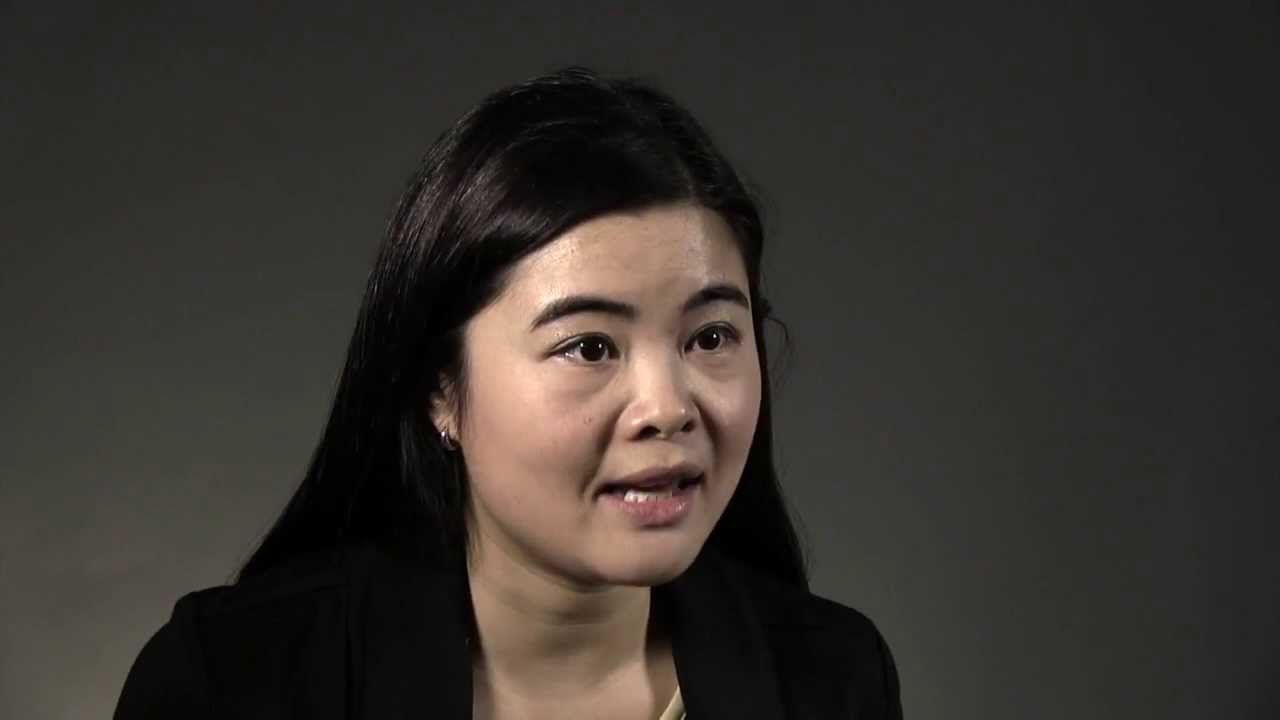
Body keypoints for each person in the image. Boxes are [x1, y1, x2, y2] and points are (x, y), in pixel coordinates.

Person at [113, 66, 903, 719]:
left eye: (711, 338)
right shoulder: (229, 683)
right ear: (439, 389)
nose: (667, 407)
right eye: (589, 347)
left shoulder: (832, 678)